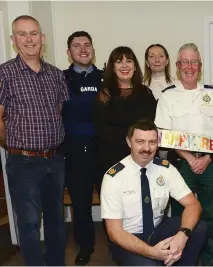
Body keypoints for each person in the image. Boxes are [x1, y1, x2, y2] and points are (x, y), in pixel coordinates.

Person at [154, 43, 213, 266]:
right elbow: (165, 134)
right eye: (185, 62)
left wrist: (207, 158)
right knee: (181, 216)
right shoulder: (167, 96)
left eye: (194, 61)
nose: (190, 66)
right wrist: (190, 158)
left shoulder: (212, 94)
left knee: (210, 213)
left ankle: (210, 261)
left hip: (210, 162)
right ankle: (182, 258)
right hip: (180, 163)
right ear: (178, 66)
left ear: (200, 65)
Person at [0, 15, 68, 265]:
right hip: (24, 162)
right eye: (22, 34)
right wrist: (17, 147)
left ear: (43, 38)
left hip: (55, 159)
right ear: (13, 39)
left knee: (56, 221)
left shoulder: (56, 75)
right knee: (28, 223)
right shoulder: (4, 73)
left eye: (33, 33)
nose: (29, 39)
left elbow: (58, 110)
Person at [101, 120, 207, 266]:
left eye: (152, 142)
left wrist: (183, 235)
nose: (146, 148)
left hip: (158, 230)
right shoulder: (114, 177)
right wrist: (153, 253)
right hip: (128, 237)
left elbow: (193, 204)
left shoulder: (165, 169)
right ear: (129, 142)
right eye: (140, 141)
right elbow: (114, 232)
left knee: (199, 228)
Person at [62, 30, 104, 265]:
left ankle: (119, 244)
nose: (83, 49)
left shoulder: (106, 77)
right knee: (81, 203)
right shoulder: (60, 78)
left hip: (104, 151)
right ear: (69, 53)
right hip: (75, 153)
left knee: (112, 201)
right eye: (77, 46)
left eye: (87, 44)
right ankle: (85, 247)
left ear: (93, 49)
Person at [93, 46, 157, 176]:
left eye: (128, 61)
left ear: (134, 66)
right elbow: (101, 129)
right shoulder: (105, 95)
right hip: (112, 159)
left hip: (143, 157)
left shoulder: (146, 93)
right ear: (112, 67)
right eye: (119, 61)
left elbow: (152, 125)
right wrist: (131, 142)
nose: (124, 66)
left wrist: (139, 144)